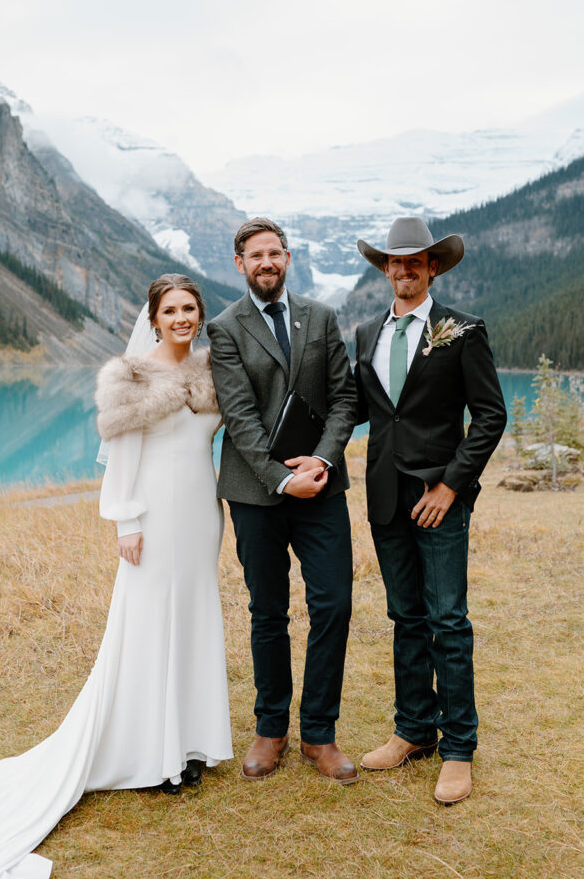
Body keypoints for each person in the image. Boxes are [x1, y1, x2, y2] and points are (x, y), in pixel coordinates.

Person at [0, 274, 232, 879]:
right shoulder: (129, 375)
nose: (181, 317)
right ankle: (152, 754)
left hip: (202, 519)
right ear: (153, 318)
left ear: (200, 314)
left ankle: (188, 745)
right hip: (151, 521)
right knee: (148, 629)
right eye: (170, 310)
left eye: (189, 308)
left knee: (194, 624)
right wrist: (125, 520)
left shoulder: (210, 372)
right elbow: (123, 458)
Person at [354, 216, 506, 805]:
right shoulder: (367, 333)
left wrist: (449, 487)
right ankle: (412, 729)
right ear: (385, 269)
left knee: (447, 620)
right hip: (387, 499)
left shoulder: (462, 331)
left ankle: (459, 748)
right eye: (396, 260)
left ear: (433, 267)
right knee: (405, 618)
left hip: (438, 501)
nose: (405, 268)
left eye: (416, 259)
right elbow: (361, 407)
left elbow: (490, 416)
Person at [207, 217, 358, 785]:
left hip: (321, 487)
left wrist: (320, 460)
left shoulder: (320, 316)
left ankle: (319, 734)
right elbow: (239, 417)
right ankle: (270, 729)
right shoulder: (225, 328)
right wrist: (279, 478)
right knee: (266, 612)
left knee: (334, 606)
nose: (266, 262)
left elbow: (344, 397)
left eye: (275, 253)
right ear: (240, 264)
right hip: (256, 492)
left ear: (288, 259)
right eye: (255, 255)